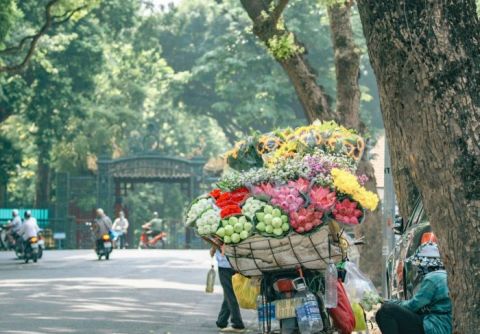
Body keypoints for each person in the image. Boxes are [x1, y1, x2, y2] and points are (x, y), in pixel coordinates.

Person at [376, 242, 452, 334]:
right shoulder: (447, 275)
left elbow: (413, 305)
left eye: (420, 264)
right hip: (444, 325)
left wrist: (390, 302)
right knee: (381, 313)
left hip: (435, 327)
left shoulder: (432, 278)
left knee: (386, 310)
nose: (419, 268)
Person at [210, 246, 245, 333]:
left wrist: (213, 248)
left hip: (225, 266)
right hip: (237, 264)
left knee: (230, 294)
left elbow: (213, 250)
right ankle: (221, 321)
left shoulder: (217, 235)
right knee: (228, 293)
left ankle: (237, 324)